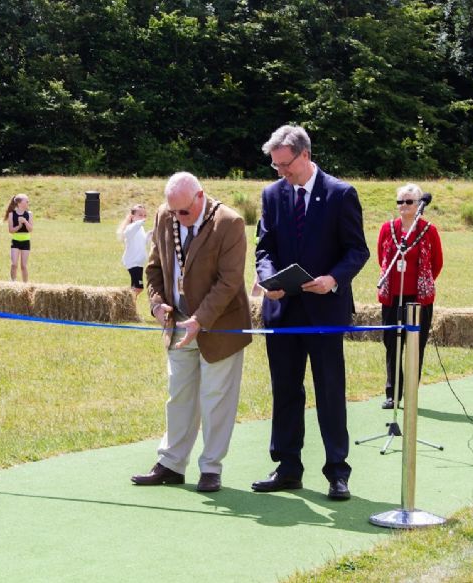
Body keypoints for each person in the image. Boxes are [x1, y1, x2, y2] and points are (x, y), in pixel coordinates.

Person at [252, 125, 369, 500]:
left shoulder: (341, 194)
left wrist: (333, 278)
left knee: (330, 391)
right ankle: (287, 467)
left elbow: (357, 250)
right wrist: (269, 280)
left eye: (285, 164)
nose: (281, 172)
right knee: (285, 392)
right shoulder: (272, 194)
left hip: (325, 311)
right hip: (283, 312)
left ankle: (337, 471)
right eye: (276, 167)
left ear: (305, 155)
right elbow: (264, 248)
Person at [131, 172, 252, 493]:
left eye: (184, 212)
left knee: (215, 399)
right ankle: (171, 463)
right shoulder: (164, 215)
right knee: (179, 395)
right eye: (173, 212)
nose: (178, 218)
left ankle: (211, 468)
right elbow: (154, 268)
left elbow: (229, 281)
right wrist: (157, 305)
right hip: (177, 323)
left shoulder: (229, 223)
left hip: (220, 325)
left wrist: (200, 319)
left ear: (200, 197)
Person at [377, 183, 443, 409]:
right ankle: (392, 394)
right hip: (392, 298)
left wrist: (422, 284)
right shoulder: (388, 228)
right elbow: (381, 258)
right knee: (392, 345)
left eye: (408, 202)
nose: (403, 206)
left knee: (415, 346)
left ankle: (412, 394)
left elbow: (437, 263)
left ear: (418, 205)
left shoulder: (429, 230)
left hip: (418, 299)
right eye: (399, 202)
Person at [116, 204, 152, 296]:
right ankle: (127, 303)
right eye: (140, 215)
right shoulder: (130, 228)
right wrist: (139, 222)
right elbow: (130, 231)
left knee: (135, 287)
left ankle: (130, 305)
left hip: (139, 263)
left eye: (144, 215)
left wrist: (151, 234)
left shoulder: (140, 228)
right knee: (138, 287)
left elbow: (144, 241)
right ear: (132, 216)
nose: (143, 218)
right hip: (133, 262)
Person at [4, 193, 33, 282]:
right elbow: (11, 230)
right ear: (20, 203)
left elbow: (30, 229)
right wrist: (19, 226)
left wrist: (25, 222)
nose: (28, 203)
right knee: (14, 264)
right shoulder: (11, 214)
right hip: (15, 241)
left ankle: (25, 285)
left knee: (23, 266)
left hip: (26, 242)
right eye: (26, 201)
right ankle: (13, 283)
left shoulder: (29, 214)